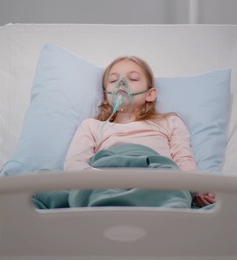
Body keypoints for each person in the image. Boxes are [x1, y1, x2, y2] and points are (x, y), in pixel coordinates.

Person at [64, 55, 215, 207]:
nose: (121, 84)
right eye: (113, 80)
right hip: (107, 176)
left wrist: (197, 190)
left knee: (173, 195)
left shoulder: (169, 122)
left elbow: (183, 160)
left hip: (157, 177)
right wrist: (103, 178)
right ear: (105, 96)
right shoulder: (92, 126)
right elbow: (74, 165)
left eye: (133, 79)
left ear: (150, 94)